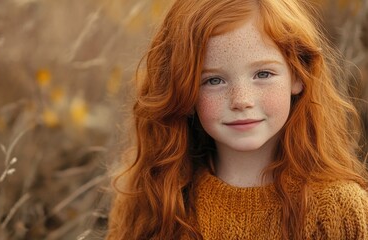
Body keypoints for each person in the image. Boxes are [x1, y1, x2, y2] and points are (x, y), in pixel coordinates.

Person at [107, 0, 368, 239]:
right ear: (182, 91)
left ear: (298, 75)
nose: (241, 100)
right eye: (214, 80)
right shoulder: (154, 203)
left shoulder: (339, 209)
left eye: (263, 74)